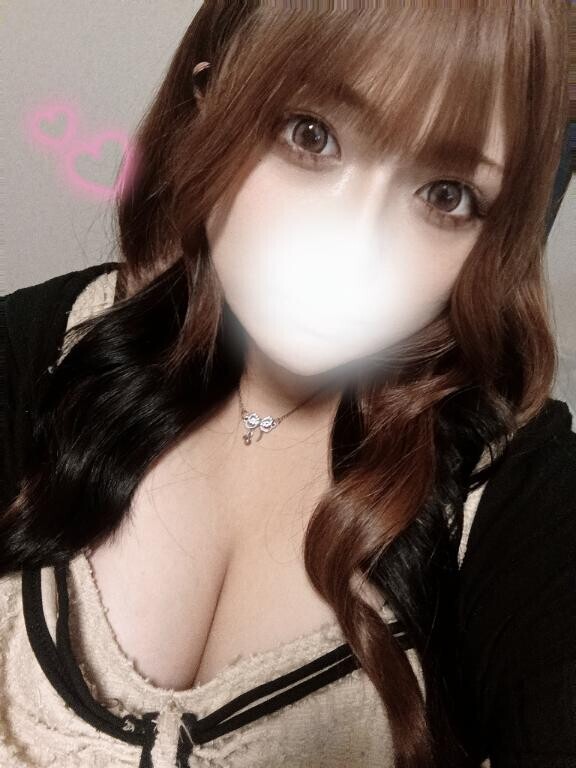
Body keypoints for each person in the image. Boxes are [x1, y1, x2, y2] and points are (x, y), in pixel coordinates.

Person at [1, 2, 575, 767]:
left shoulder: (515, 489)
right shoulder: (29, 349)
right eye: (311, 135)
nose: (357, 246)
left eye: (446, 194)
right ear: (208, 104)